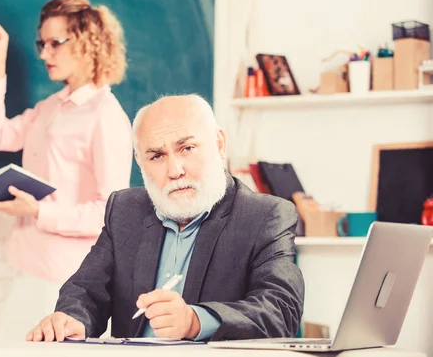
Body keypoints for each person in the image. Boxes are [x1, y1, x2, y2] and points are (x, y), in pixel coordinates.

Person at [26, 94, 304, 342]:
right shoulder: (124, 208)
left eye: (187, 148)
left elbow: (281, 310)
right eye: (157, 156)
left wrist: (195, 321)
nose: (174, 170)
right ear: (140, 161)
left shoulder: (266, 215)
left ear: (218, 144)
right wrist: (73, 319)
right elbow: (86, 289)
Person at [0, 0, 133, 339]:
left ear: (88, 42)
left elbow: (109, 213)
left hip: (66, 280)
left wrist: (39, 212)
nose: (45, 54)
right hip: (27, 265)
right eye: (41, 43)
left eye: (55, 43)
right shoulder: (51, 107)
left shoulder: (106, 116)